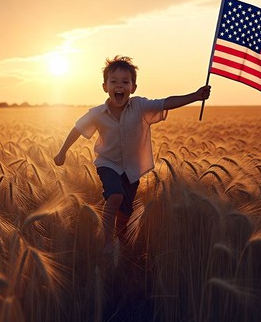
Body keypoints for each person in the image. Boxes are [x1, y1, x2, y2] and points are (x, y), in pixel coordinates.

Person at [54, 55, 211, 254]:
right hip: (107, 163)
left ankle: (122, 242)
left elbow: (166, 103)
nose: (119, 86)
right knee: (115, 195)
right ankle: (106, 242)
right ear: (105, 86)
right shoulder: (97, 113)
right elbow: (77, 129)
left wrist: (195, 96)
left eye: (125, 82)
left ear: (133, 87)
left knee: (125, 211)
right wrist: (62, 152)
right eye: (114, 81)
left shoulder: (140, 106)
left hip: (132, 169)